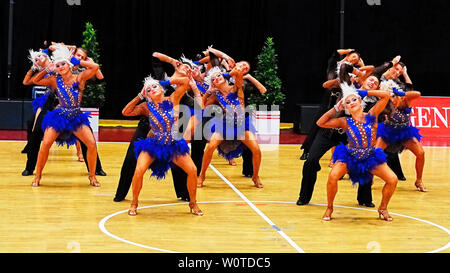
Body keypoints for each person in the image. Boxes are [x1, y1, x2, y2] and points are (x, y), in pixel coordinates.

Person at [122, 73, 202, 216]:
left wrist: (163, 82)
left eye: (155, 86)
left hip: (173, 144)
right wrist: (140, 96)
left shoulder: (173, 99)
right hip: (154, 144)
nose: (152, 89)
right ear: (146, 95)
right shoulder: (146, 106)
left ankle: (193, 203)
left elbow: (184, 81)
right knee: (139, 170)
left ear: (162, 88)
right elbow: (126, 112)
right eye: (148, 89)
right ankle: (134, 203)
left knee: (193, 170)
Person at [317, 83, 398, 221]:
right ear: (346, 107)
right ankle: (329, 207)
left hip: (370, 157)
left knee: (392, 179)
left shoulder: (372, 115)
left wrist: (365, 92)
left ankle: (383, 208)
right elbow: (321, 122)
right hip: (351, 156)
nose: (351, 103)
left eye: (354, 99)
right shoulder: (344, 121)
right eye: (348, 102)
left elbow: (385, 96)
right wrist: (336, 108)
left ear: (360, 101)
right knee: (332, 177)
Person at [30, 44, 100, 187]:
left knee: (92, 144)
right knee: (46, 144)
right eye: (58, 65)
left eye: (63, 64)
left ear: (69, 65)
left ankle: (92, 176)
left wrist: (77, 61)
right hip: (59, 116)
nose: (61, 67)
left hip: (75, 116)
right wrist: (46, 70)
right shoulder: (55, 80)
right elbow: (35, 81)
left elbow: (95, 67)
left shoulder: (79, 78)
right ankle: (37, 176)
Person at [198, 64, 263, 188]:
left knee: (256, 149)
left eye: (219, 76)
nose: (217, 78)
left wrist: (224, 74)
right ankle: (202, 176)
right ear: (213, 84)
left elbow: (238, 73)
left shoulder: (236, 88)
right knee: (210, 147)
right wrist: (208, 91)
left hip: (241, 125)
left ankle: (255, 176)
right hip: (225, 125)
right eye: (214, 79)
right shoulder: (216, 96)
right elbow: (202, 106)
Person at [376, 80, 426, 192]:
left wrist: (399, 93)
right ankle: (370, 179)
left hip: (404, 132)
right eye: (391, 97)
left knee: (421, 153)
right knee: (375, 154)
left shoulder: (406, 100)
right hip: (387, 131)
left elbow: (417, 94)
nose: (393, 100)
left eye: (394, 97)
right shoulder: (385, 102)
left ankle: (419, 180)